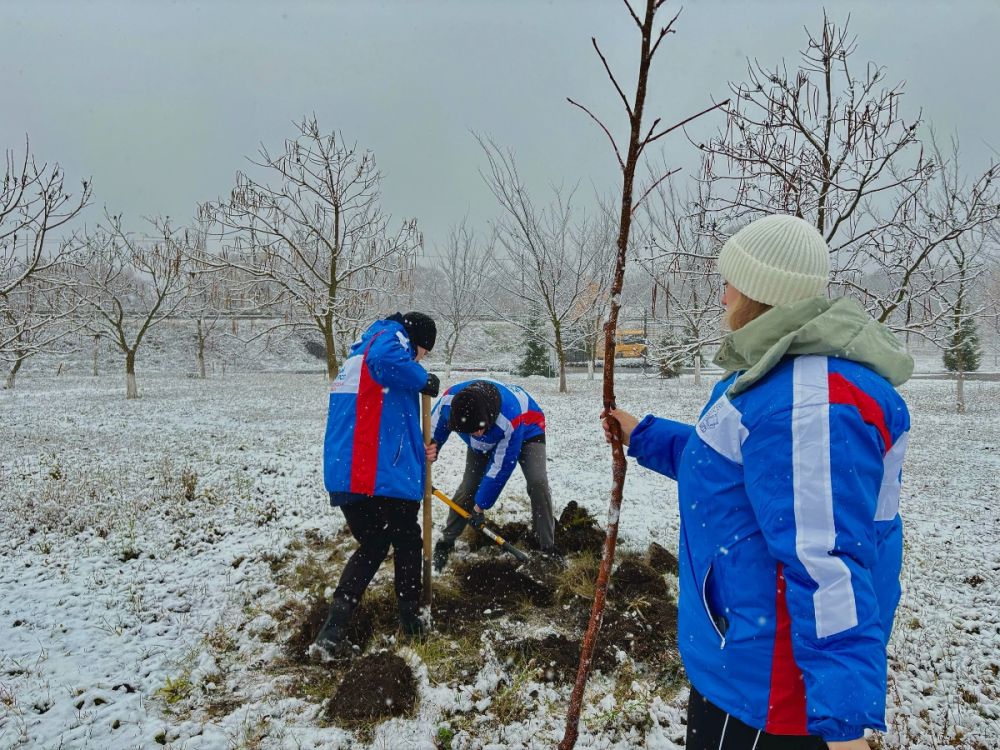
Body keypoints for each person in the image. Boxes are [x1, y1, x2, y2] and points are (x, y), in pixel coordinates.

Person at [602, 215, 913, 750]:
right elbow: (734, 472)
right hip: (744, 660)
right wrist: (645, 435)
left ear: (762, 291)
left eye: (731, 282)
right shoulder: (777, 377)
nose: (722, 296)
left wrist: (841, 724)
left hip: (770, 692)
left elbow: (828, 564)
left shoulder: (810, 404)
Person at [312, 311, 440, 659]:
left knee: (373, 543)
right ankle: (412, 619)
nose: (418, 360)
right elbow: (389, 362)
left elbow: (385, 417)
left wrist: (422, 448)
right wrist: (422, 378)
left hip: (347, 473)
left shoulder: (359, 354)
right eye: (422, 353)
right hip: (377, 476)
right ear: (414, 340)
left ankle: (332, 631)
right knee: (408, 541)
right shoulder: (390, 341)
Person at [427, 379, 557, 570]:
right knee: (469, 486)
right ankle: (446, 541)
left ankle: (547, 547)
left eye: (479, 430)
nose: (477, 434)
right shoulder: (449, 404)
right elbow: (432, 432)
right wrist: (431, 448)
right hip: (490, 434)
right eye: (471, 432)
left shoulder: (508, 417)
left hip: (528, 429)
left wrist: (480, 508)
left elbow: (500, 468)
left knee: (538, 483)